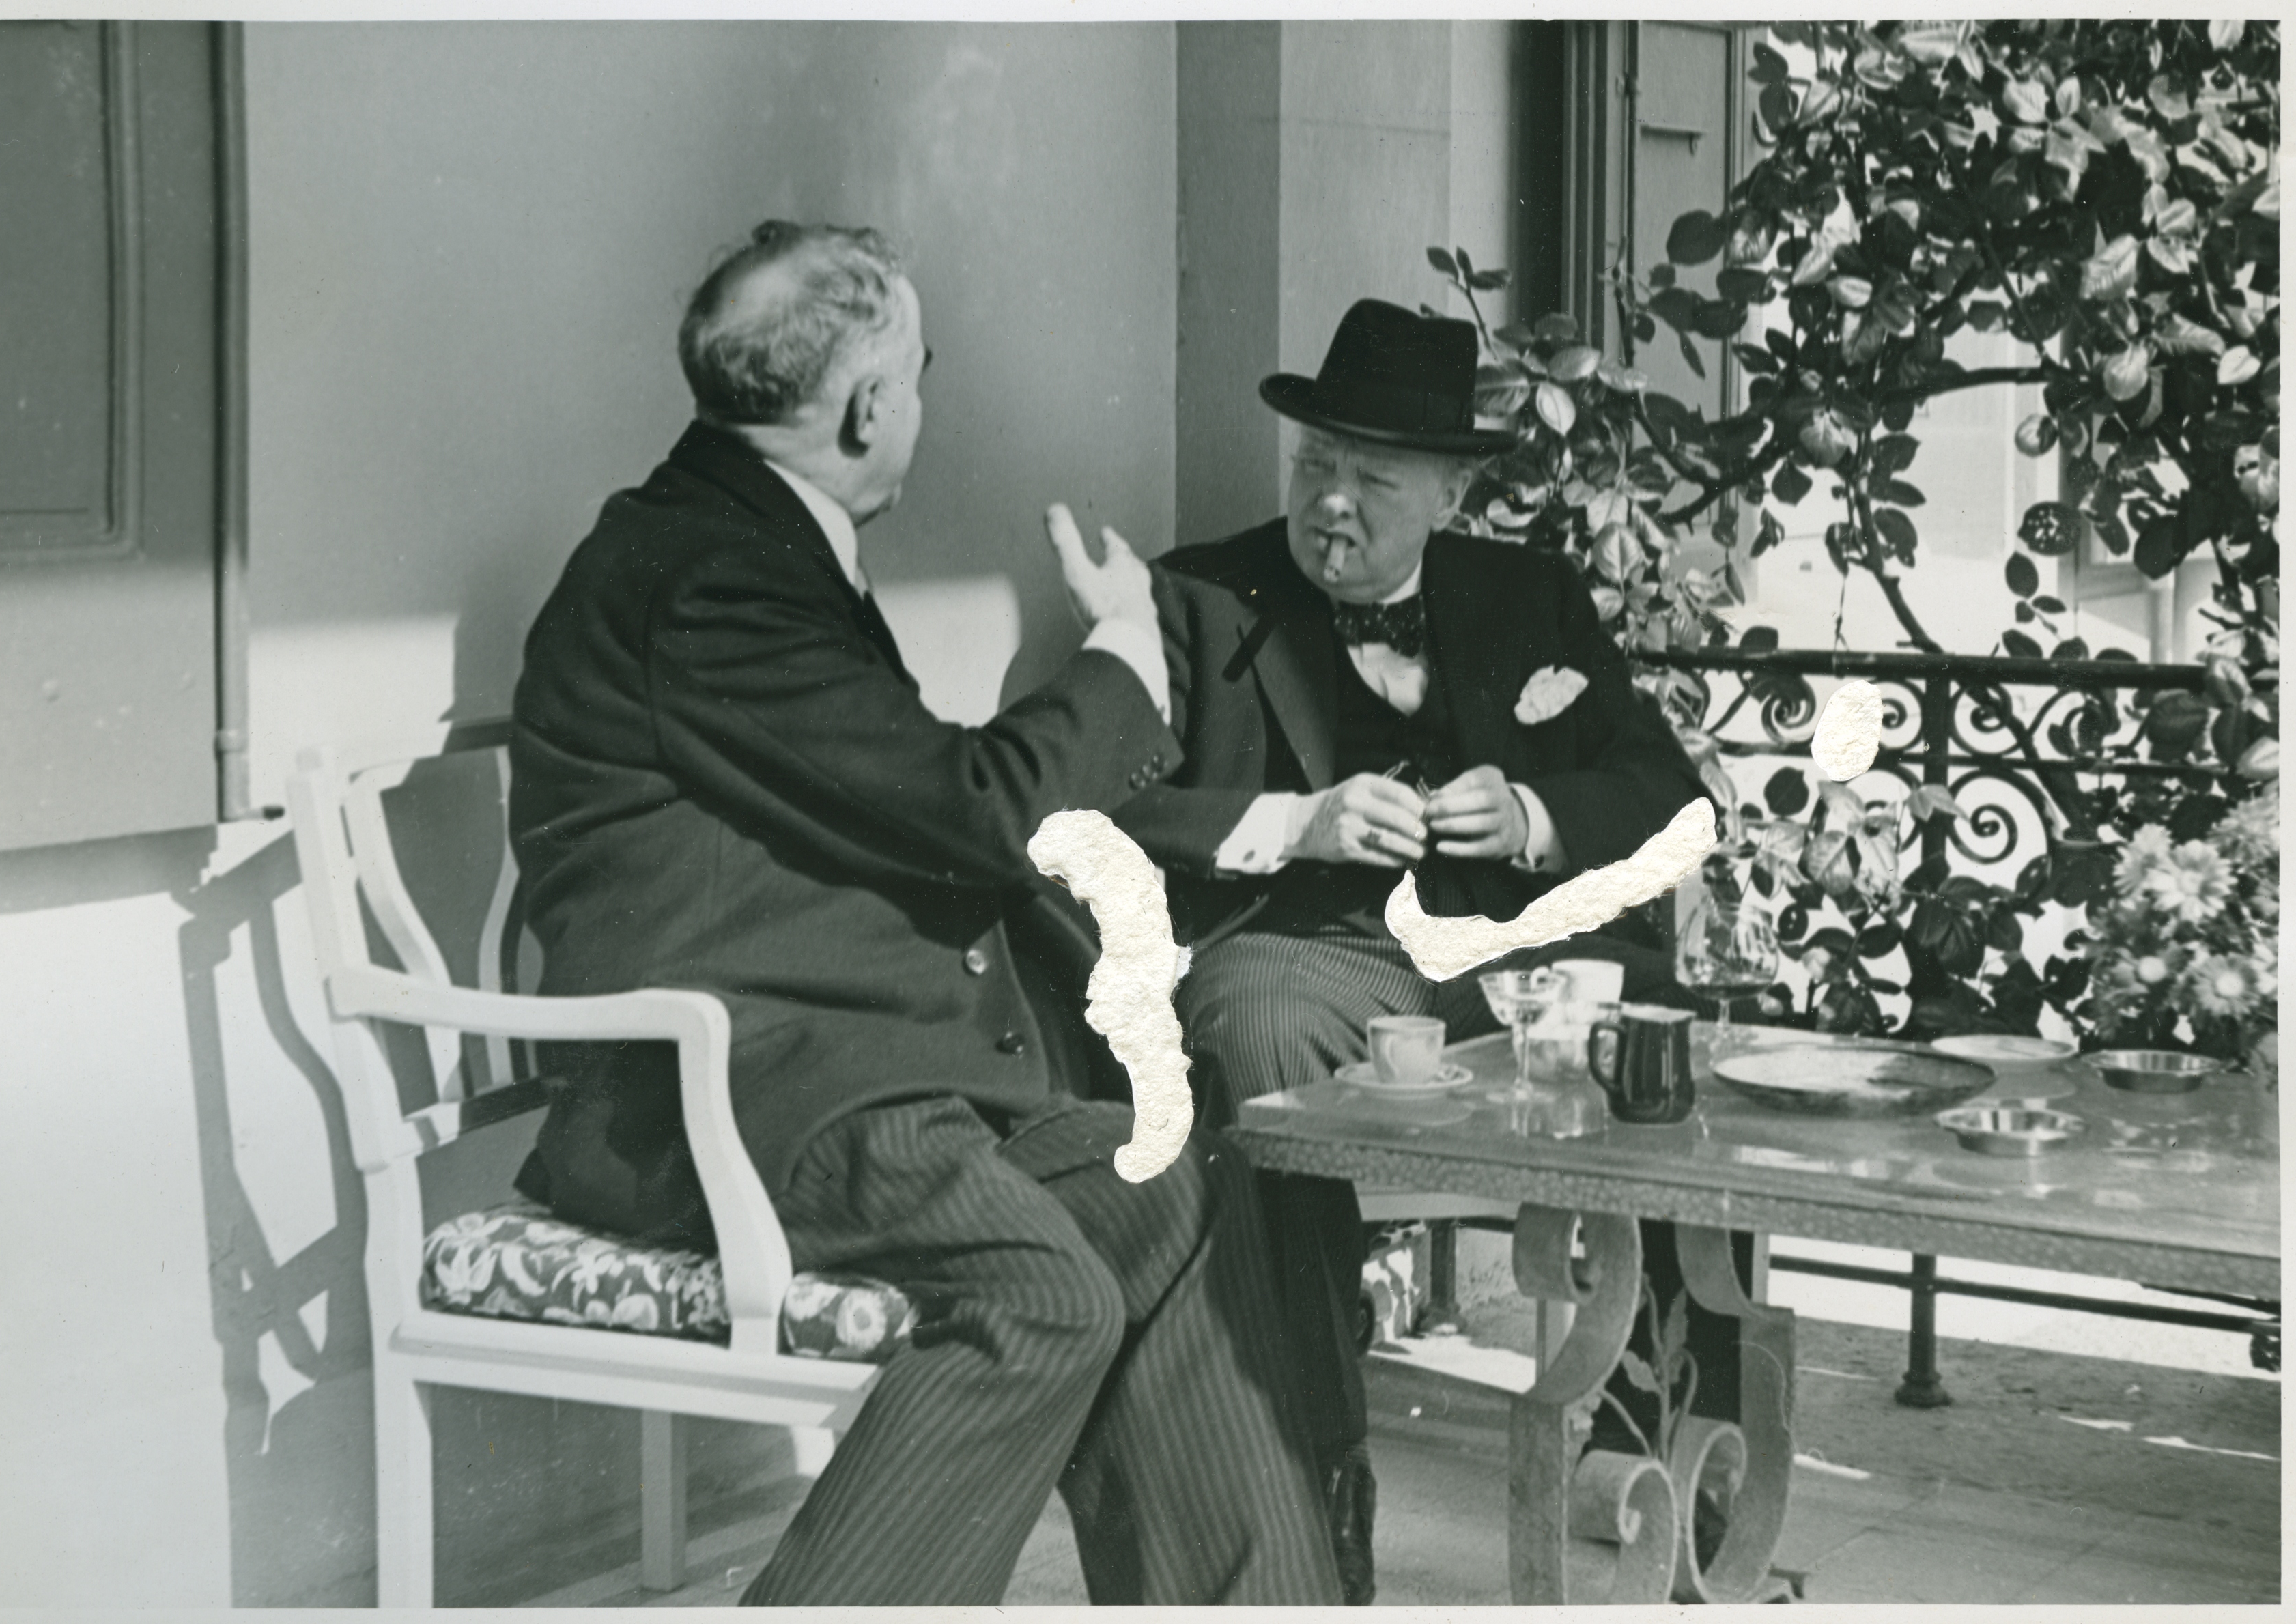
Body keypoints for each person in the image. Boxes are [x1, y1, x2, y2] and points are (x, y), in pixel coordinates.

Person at [505, 221, 1339, 1606]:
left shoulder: (741, 539)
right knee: (1043, 1299)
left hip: (849, 1066)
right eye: (920, 373)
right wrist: (1127, 654)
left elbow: (910, 809)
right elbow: (973, 809)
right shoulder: (714, 578)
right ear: (866, 406)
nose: (920, 404)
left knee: (1167, 1188)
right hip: (737, 1094)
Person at [1114, 298, 1708, 1602]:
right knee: (1252, 1031)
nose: (1331, 504)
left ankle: (1668, 1454)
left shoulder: (1529, 596)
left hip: (1516, 964)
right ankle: (1316, 1476)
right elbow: (1099, 802)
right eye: (1313, 468)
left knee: (1660, 1038)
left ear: (1447, 493)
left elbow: (1664, 796)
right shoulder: (1198, 599)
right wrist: (1292, 821)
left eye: (1372, 479)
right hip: (1309, 952)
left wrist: (1539, 814)